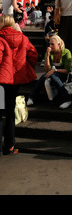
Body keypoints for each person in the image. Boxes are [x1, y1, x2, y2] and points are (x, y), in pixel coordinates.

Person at [0, 15, 38, 154]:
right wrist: (26, 68)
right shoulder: (23, 38)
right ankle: (10, 145)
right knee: (10, 113)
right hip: (15, 80)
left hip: (1, 81)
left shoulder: (0, 39)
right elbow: (33, 54)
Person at [27, 35, 72, 109]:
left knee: (51, 75)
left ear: (58, 44)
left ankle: (66, 99)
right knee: (46, 76)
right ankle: (32, 98)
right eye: (49, 44)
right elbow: (47, 69)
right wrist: (47, 55)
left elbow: (67, 70)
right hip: (53, 74)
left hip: (65, 74)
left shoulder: (66, 52)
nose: (50, 46)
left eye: (52, 44)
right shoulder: (49, 53)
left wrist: (55, 70)